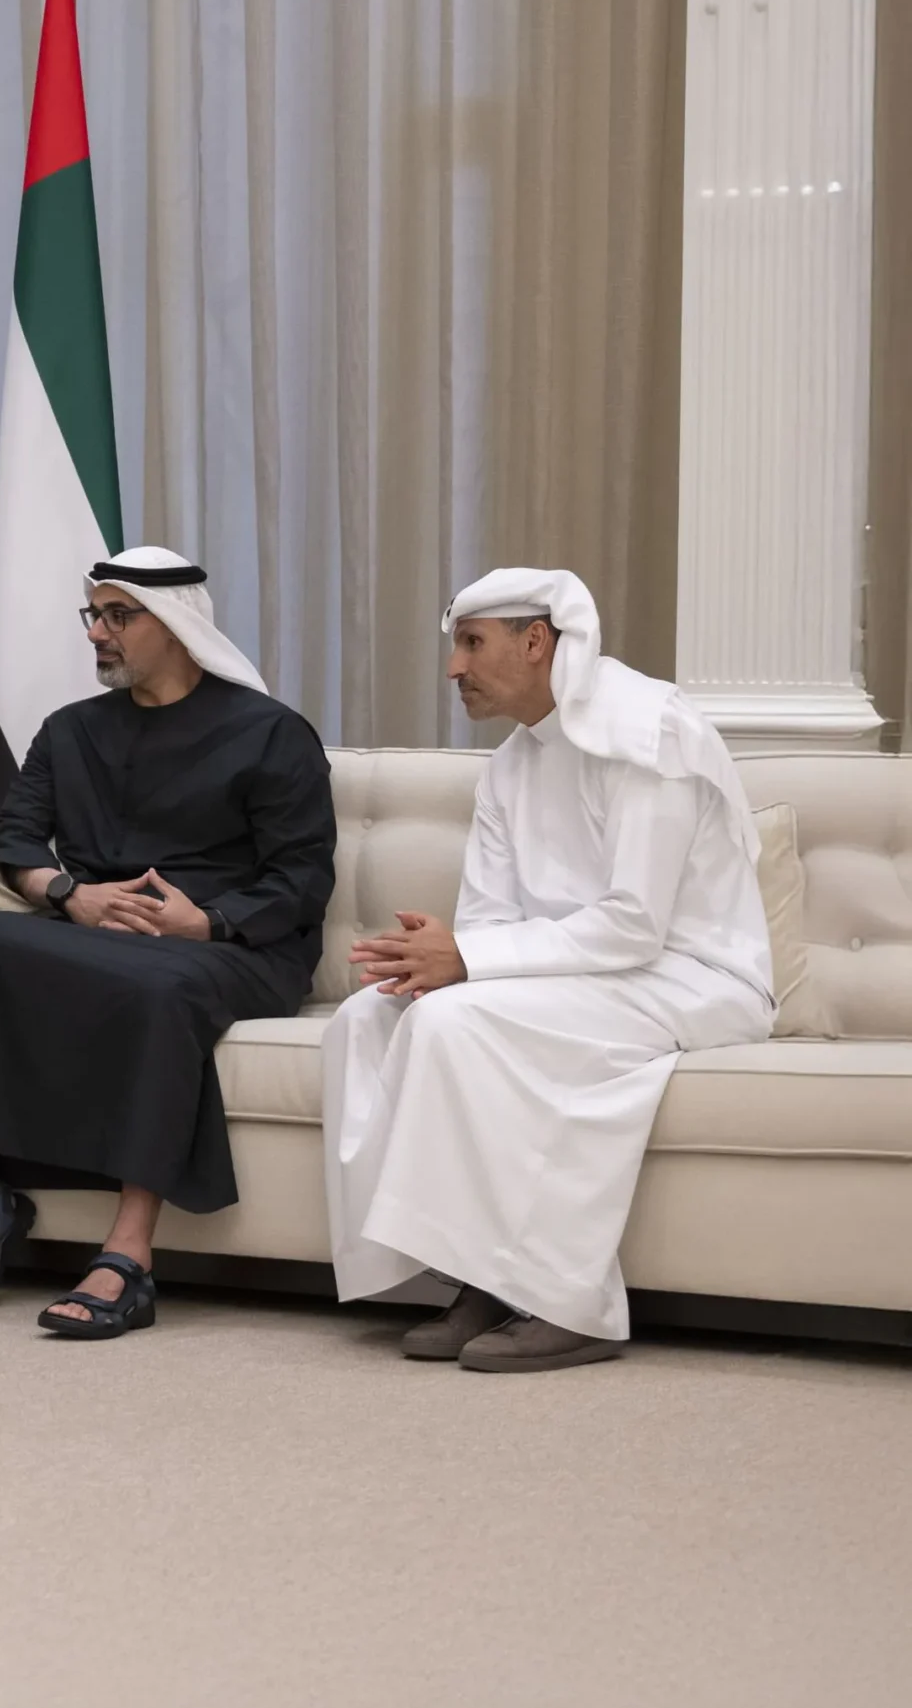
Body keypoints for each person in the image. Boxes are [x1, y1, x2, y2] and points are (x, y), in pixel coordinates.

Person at [324, 568, 774, 1372]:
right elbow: (495, 920)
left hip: (694, 977)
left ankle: (571, 1301)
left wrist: (470, 961)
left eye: (471, 644)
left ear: (537, 642)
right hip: (582, 977)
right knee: (369, 1016)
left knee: (456, 1019)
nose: (454, 669)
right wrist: (450, 957)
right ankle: (476, 1275)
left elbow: (638, 926)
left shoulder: (648, 732)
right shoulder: (509, 765)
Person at [0, 546, 336, 1337]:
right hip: (100, 934)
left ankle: (130, 1253)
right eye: (93, 615)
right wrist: (71, 894)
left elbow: (301, 880)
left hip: (235, 947)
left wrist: (203, 921)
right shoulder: (71, 732)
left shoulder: (271, 733)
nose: (98, 633)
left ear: (174, 625)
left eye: (118, 616)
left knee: (160, 986)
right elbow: (14, 834)